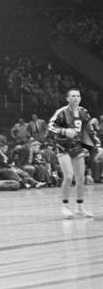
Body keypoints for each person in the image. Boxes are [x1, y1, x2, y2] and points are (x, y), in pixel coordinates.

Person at [47, 88, 102, 218]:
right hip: (63, 147)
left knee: (81, 178)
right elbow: (50, 127)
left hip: (78, 147)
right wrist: (64, 131)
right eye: (72, 96)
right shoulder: (61, 112)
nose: (75, 98)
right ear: (67, 99)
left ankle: (80, 207)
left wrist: (98, 146)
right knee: (68, 176)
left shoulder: (83, 112)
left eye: (78, 96)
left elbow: (90, 131)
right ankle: (65, 206)